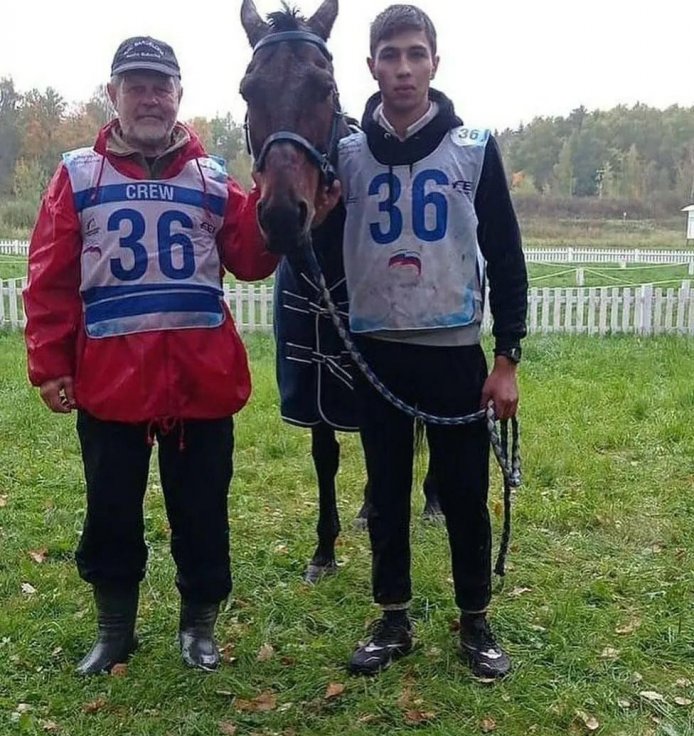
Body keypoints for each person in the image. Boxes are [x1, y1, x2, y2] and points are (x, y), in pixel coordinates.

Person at [23, 36, 294, 676]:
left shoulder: (211, 178)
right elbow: (49, 276)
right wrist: (49, 362)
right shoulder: (78, 175)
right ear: (113, 94)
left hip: (199, 383)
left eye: (161, 86)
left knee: (202, 513)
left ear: (179, 96)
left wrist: (276, 211)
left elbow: (251, 260)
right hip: (110, 382)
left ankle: (198, 628)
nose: (150, 97)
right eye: (136, 85)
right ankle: (115, 630)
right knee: (111, 509)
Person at [336, 6, 528, 678]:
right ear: (372, 67)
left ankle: (475, 619)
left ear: (435, 64)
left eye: (416, 54)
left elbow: (505, 255)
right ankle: (393, 617)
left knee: (466, 492)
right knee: (385, 490)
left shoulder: (473, 145)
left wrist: (507, 359)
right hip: (378, 348)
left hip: (452, 352)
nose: (404, 69)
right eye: (390, 56)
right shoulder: (348, 151)